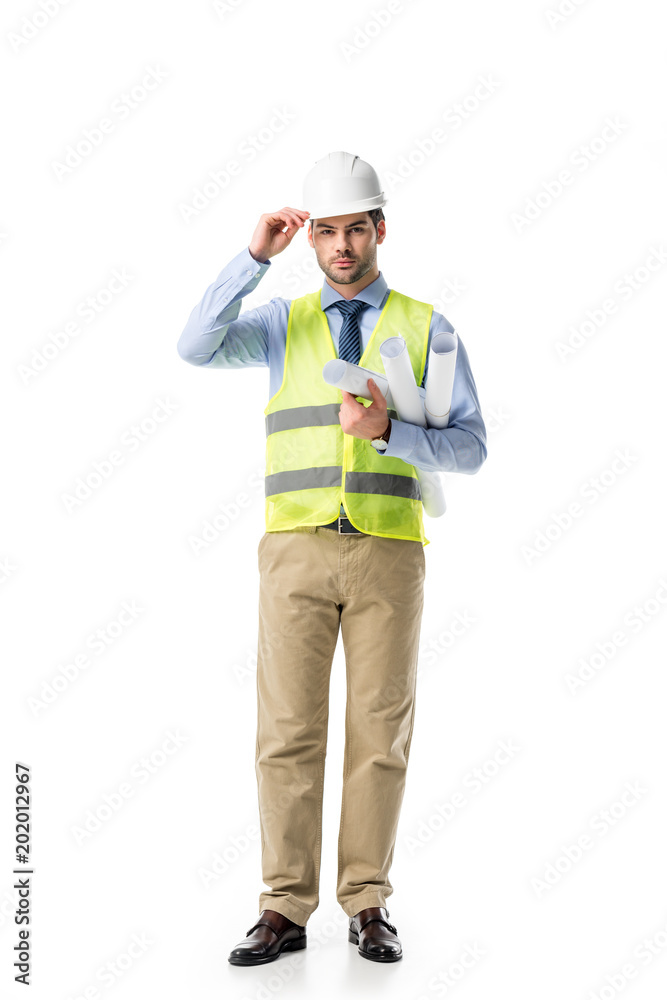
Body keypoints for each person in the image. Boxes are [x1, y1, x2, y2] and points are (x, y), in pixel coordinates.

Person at [177, 151, 487, 965]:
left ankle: (367, 902)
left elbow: (471, 449)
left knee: (379, 733)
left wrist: (389, 432)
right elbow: (195, 346)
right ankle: (283, 907)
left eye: (355, 228)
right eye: (327, 232)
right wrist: (251, 260)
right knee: (286, 733)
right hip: (293, 550)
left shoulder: (426, 326)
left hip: (389, 550)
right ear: (309, 238)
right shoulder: (282, 323)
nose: (342, 245)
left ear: (380, 229)